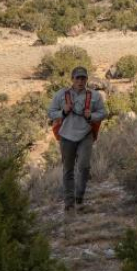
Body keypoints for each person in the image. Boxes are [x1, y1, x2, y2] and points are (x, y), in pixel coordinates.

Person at [48, 66, 107, 212]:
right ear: (72, 79)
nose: (80, 81)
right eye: (77, 78)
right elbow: (51, 113)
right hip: (66, 136)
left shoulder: (94, 96)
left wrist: (91, 116)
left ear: (87, 79)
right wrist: (63, 112)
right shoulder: (61, 95)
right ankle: (69, 203)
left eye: (83, 78)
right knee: (68, 170)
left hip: (85, 135)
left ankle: (79, 196)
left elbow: (103, 113)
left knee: (84, 167)